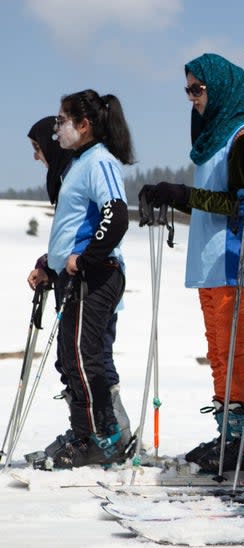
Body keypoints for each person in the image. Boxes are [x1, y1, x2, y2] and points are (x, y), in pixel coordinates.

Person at [139, 53, 244, 474]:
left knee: (233, 350)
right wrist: (175, 197)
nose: (192, 98)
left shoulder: (242, 136)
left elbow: (238, 202)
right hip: (210, 258)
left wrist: (181, 195)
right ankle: (230, 433)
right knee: (218, 351)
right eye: (188, 90)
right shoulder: (213, 136)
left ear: (220, 89)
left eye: (198, 89)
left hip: (232, 255)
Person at [26, 90, 133, 468]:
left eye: (62, 121)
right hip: (75, 277)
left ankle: (101, 436)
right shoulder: (78, 163)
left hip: (97, 275)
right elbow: (71, 228)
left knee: (85, 359)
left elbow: (116, 214)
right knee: (72, 359)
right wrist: (49, 264)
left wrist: (87, 259)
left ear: (84, 125)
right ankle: (84, 431)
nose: (57, 129)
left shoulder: (99, 161)